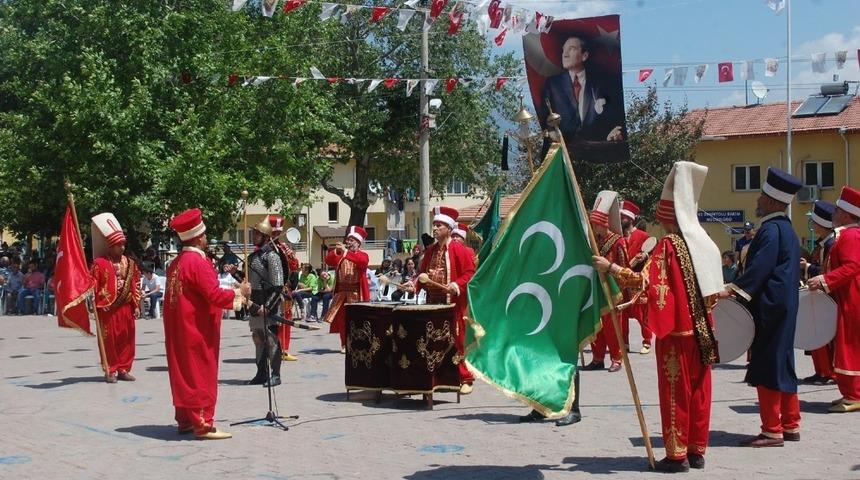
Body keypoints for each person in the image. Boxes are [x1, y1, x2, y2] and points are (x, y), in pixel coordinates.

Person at [594, 161, 723, 473]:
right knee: (699, 391)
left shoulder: (669, 245)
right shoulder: (703, 240)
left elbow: (648, 282)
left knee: (675, 392)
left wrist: (611, 268)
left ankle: (677, 456)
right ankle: (696, 450)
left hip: (678, 331)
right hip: (703, 329)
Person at [720, 167, 803, 447]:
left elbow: (759, 269)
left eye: (762, 196)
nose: (758, 199)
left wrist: (732, 290)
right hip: (784, 306)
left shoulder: (770, 230)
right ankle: (791, 423)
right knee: (784, 363)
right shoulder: (788, 230)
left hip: (769, 307)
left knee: (767, 365)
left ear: (771, 200)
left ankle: (772, 430)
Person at [163, 208, 250, 440]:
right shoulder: (198, 262)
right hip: (197, 330)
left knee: (183, 373)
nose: (206, 238)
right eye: (204, 234)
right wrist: (240, 292)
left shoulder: (176, 263)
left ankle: (185, 420)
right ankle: (202, 423)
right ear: (197, 237)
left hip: (179, 329)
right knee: (200, 373)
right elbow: (213, 295)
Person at [406, 207, 476, 394]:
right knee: (432, 341)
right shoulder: (430, 251)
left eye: (439, 225)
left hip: (452, 304)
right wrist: (414, 285)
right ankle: (435, 378)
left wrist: (457, 284)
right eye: (434, 225)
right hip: (432, 303)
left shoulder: (458, 249)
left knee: (456, 340)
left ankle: (466, 378)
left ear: (449, 228)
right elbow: (422, 275)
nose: (435, 228)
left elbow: (470, 273)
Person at [807, 186, 860, 413]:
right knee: (844, 346)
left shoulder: (850, 236)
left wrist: (825, 280)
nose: (833, 214)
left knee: (850, 346)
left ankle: (855, 395)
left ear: (846, 215)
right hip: (845, 297)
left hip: (852, 299)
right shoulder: (846, 235)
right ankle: (849, 393)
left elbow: (853, 266)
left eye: (837, 210)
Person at [537, 35, 625, 159]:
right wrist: (552, 134)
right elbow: (544, 118)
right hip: (564, 155)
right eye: (563, 50)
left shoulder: (601, 83)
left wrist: (615, 131)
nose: (565, 54)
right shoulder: (553, 84)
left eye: (571, 49)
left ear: (584, 55)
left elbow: (615, 117)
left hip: (597, 153)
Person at [90, 213, 141, 383]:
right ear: (110, 246)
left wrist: (136, 304)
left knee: (127, 339)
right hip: (107, 308)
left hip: (126, 306)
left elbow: (135, 284)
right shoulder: (99, 263)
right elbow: (94, 285)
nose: (122, 247)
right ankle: (110, 370)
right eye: (118, 245)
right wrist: (95, 302)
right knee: (108, 340)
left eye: (123, 244)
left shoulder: (131, 263)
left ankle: (123, 368)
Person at [582, 191, 628, 373]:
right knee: (598, 327)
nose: (594, 228)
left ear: (603, 224)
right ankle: (597, 358)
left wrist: (621, 291)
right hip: (597, 291)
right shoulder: (596, 242)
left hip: (613, 292)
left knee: (613, 329)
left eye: (596, 225)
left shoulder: (618, 242)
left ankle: (617, 358)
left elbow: (624, 267)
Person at [799, 200, 836, 385]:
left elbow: (827, 270)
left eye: (814, 221)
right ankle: (820, 370)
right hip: (818, 295)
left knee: (824, 336)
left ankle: (828, 372)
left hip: (827, 296)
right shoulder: (823, 243)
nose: (812, 224)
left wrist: (807, 267)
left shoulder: (831, 244)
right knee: (815, 334)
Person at [245, 219, 286, 387]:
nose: (254, 236)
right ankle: (261, 373)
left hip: (269, 302)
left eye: (257, 234)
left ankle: (275, 375)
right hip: (254, 302)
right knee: (257, 339)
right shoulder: (252, 257)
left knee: (271, 340)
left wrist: (268, 306)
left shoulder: (272, 257)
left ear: (266, 237)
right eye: (254, 233)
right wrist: (234, 273)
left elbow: (278, 286)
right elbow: (248, 282)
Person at [323, 226, 370, 353]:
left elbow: (361, 262)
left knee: (357, 319)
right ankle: (344, 344)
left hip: (356, 293)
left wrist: (345, 252)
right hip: (342, 293)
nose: (348, 243)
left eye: (352, 240)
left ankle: (357, 343)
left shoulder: (363, 255)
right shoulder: (342, 254)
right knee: (342, 320)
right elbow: (328, 261)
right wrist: (336, 251)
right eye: (348, 240)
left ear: (358, 243)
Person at [621, 200, 653, 354]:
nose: (620, 220)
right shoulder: (618, 237)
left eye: (622, 217)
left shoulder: (643, 236)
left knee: (641, 314)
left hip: (637, 281)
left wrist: (645, 255)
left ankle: (647, 341)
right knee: (622, 315)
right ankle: (624, 343)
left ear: (630, 219)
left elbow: (653, 254)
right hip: (622, 280)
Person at [268, 215, 300, 362]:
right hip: (270, 288)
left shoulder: (283, 246)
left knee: (287, 318)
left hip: (285, 288)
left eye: (278, 232)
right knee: (272, 321)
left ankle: (284, 350)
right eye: (273, 232)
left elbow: (294, 266)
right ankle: (272, 351)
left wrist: (291, 256)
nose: (276, 235)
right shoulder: (263, 248)